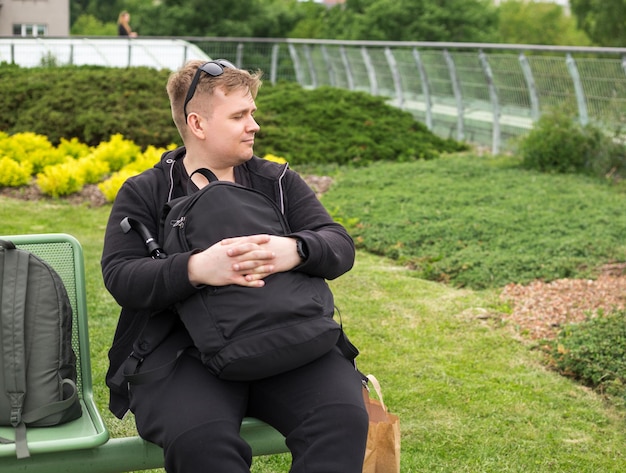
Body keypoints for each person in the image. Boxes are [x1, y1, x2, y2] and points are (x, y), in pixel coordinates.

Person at [101, 59, 369, 472]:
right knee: (201, 441)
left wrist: (294, 250)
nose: (254, 125)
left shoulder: (276, 182)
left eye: (253, 114)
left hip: (285, 337)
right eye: (240, 115)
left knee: (341, 419)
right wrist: (197, 268)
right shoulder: (146, 192)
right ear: (198, 123)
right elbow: (121, 276)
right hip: (182, 354)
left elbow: (339, 245)